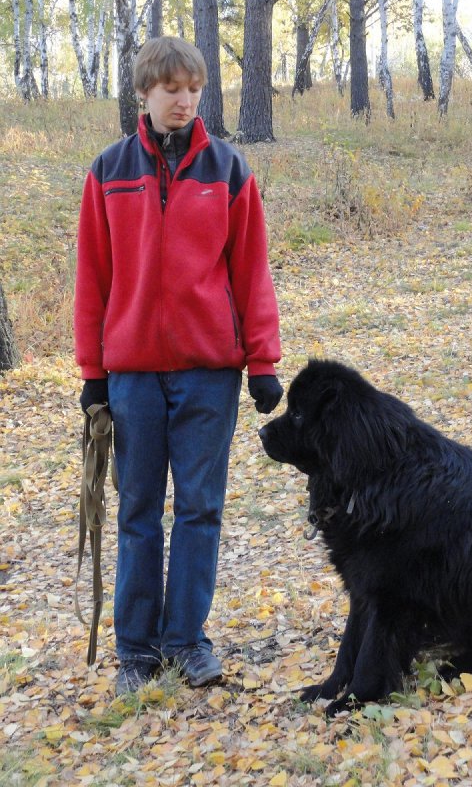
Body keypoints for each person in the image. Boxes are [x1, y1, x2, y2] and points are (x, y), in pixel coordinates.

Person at [74, 36, 283, 696]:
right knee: (137, 511)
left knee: (200, 509)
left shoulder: (228, 169)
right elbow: (93, 279)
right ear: (144, 92)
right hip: (132, 376)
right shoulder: (108, 171)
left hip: (208, 374)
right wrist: (92, 372)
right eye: (171, 89)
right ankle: (136, 652)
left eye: (193, 89)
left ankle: (186, 641)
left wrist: (262, 359)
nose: (184, 101)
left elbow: (251, 270)